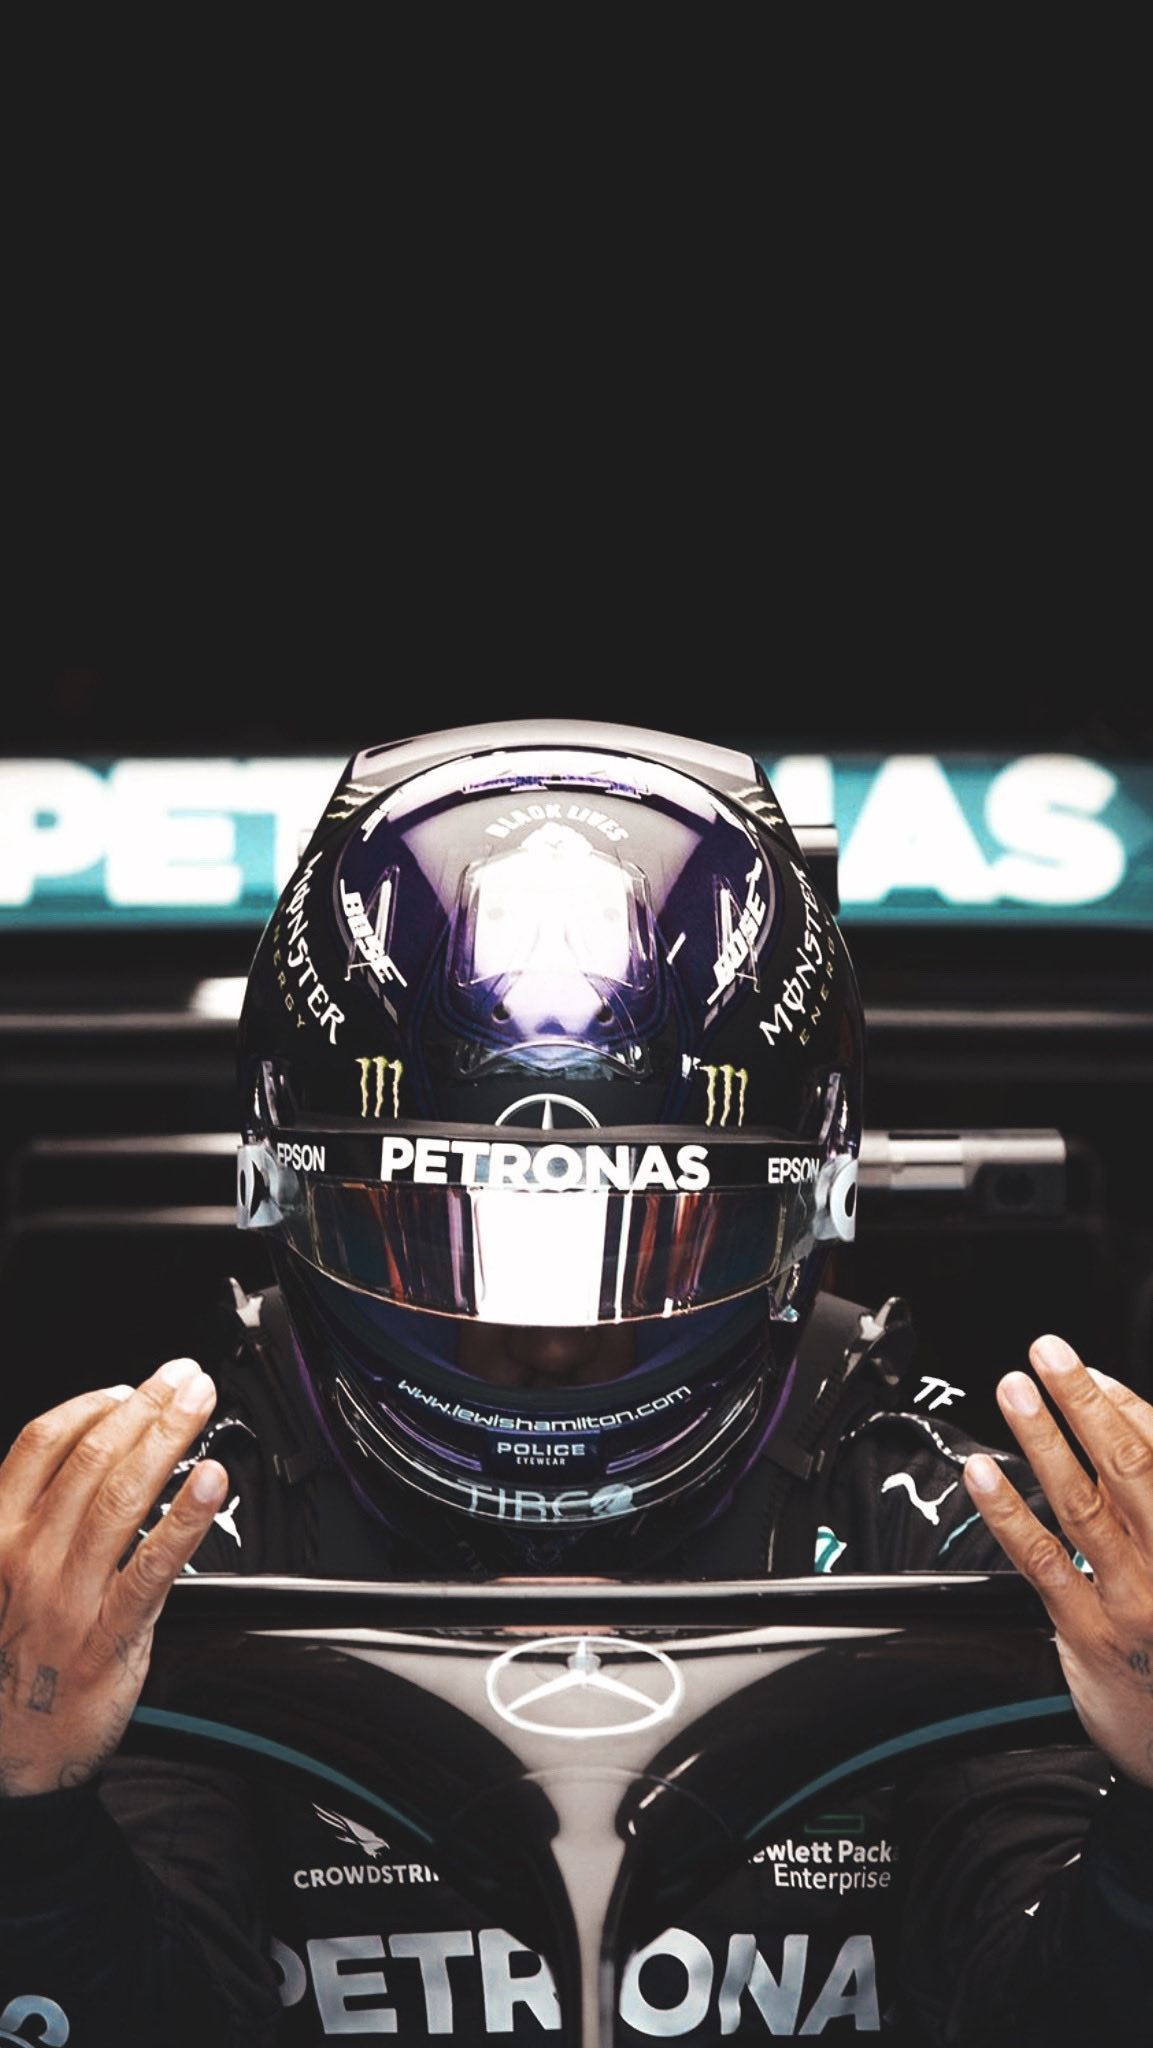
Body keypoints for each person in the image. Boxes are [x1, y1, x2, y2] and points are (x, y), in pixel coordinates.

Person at [0, 719, 1149, 2044]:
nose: (547, 1348)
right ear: (284, 1194)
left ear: (812, 1208)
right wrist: (30, 1819)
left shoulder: (933, 1510)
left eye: (649, 1241)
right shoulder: (190, 1525)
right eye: (451, 1238)